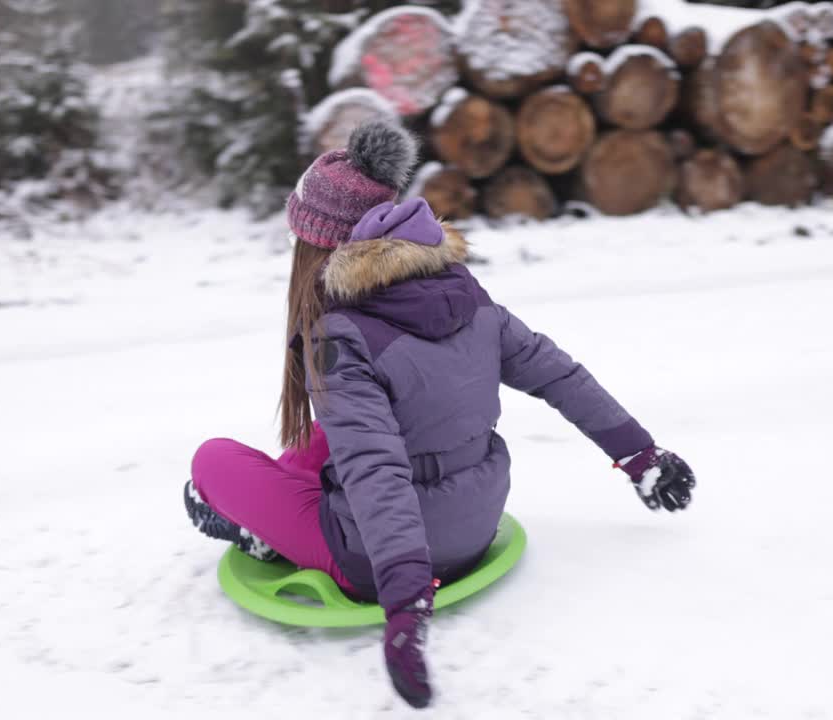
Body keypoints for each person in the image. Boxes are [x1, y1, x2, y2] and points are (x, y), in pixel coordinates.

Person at [183, 120, 696, 709]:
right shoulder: (462, 292)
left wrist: (404, 600)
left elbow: (377, 468)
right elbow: (560, 375)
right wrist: (641, 455)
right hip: (477, 521)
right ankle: (285, 517)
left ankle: (266, 533)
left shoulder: (342, 337)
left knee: (213, 461)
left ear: (320, 245)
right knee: (314, 446)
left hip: (382, 561)